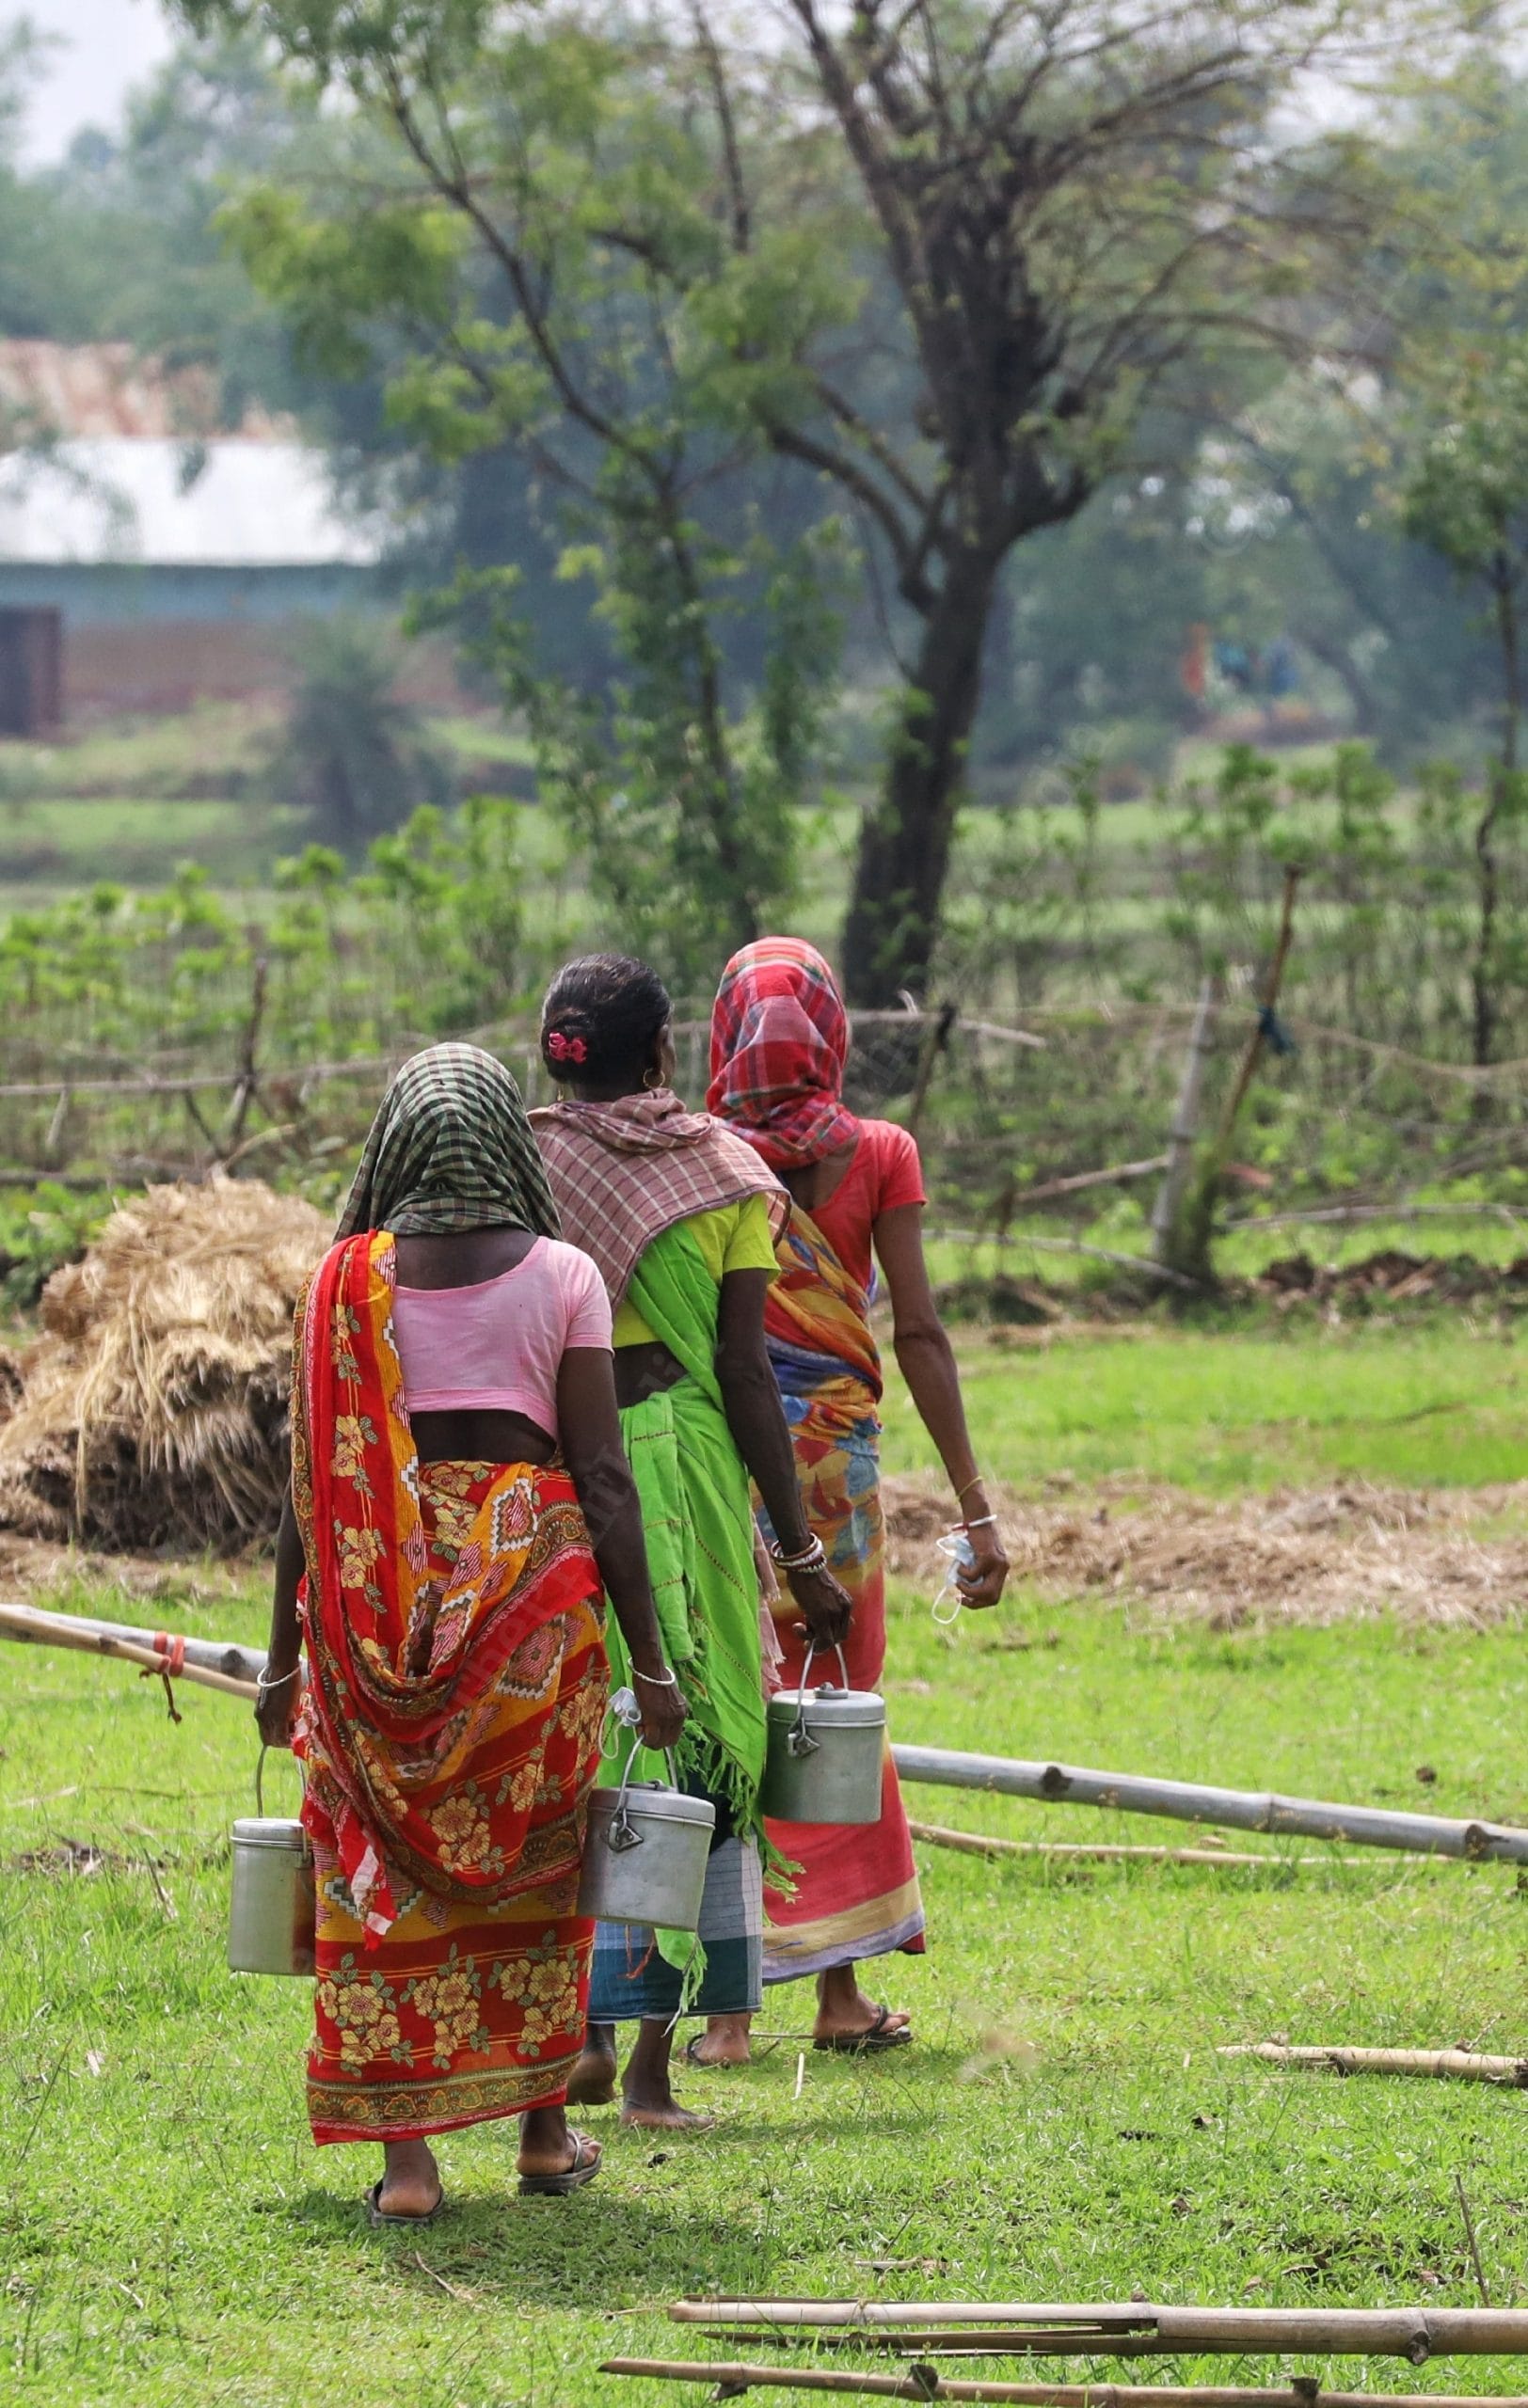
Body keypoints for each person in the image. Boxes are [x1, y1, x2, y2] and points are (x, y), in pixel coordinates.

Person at [256, 1042, 684, 2223]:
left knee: (373, 1860)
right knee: (540, 1859)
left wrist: (285, 1661)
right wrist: (651, 1662)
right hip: (524, 1598)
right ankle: (541, 2134)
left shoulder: (342, 1281)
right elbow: (600, 1476)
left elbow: (315, 1487)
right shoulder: (563, 1275)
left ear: (390, 1148)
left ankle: (407, 2165)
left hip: (371, 1608)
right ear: (509, 1143)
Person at [530, 955, 852, 2124]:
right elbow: (745, 1373)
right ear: (665, 1056)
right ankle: (650, 2065)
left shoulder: (522, 1165)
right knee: (699, 1748)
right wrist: (802, 1552)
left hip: (556, 1488)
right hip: (691, 1488)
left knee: (581, 1748)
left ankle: (576, 2041)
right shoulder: (723, 1174)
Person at [707, 937, 1009, 2053]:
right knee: (835, 1702)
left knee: (733, 1707)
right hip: (837, 1486)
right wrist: (976, 1509)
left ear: (724, 1034)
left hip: (723, 1468)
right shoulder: (880, 1153)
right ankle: (838, 1998)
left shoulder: (699, 1158)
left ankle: (730, 2015)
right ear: (831, 1033)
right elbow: (918, 1332)